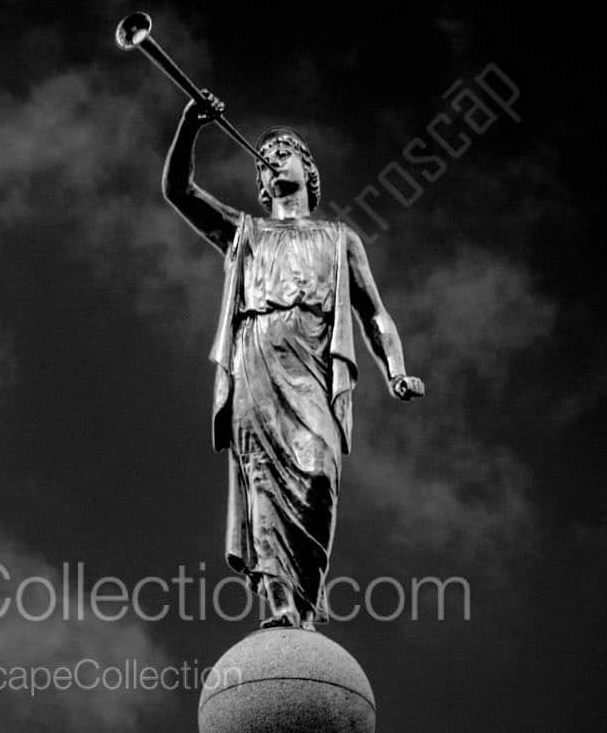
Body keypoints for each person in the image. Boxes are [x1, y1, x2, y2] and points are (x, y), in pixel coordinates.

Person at [163, 93, 424, 628]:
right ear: (261, 184)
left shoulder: (339, 238)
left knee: (319, 477)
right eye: (267, 155)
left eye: (285, 151)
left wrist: (395, 370)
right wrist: (192, 123)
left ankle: (306, 601)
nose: (274, 157)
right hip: (257, 361)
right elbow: (178, 190)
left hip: (311, 370)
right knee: (264, 482)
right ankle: (282, 607)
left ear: (308, 170)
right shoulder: (244, 233)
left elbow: (375, 314)